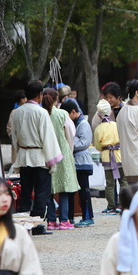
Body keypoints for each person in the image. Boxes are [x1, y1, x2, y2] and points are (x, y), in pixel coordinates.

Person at [11, 80, 63, 234]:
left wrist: (17, 155)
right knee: (42, 193)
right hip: (39, 157)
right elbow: (48, 138)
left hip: (24, 155)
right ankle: (37, 224)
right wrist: (52, 161)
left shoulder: (17, 112)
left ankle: (23, 225)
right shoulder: (41, 112)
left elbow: (14, 137)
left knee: (25, 193)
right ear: (40, 95)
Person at [42, 88, 79, 231]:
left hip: (46, 153)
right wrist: (69, 149)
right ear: (56, 99)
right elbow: (70, 133)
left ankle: (51, 220)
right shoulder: (62, 114)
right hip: (62, 153)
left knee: (48, 189)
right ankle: (64, 220)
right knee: (64, 188)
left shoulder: (41, 114)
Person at [61, 99, 95, 228]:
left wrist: (68, 143)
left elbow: (84, 143)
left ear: (73, 111)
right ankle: (70, 217)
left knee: (84, 191)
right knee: (72, 192)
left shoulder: (83, 124)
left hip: (82, 162)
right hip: (74, 161)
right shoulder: (75, 122)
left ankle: (88, 217)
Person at [93, 99, 128, 215]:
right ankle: (123, 205)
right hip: (119, 155)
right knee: (123, 181)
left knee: (109, 183)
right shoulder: (116, 125)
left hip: (107, 156)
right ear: (110, 111)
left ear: (99, 115)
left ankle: (111, 206)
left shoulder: (98, 129)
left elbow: (97, 146)